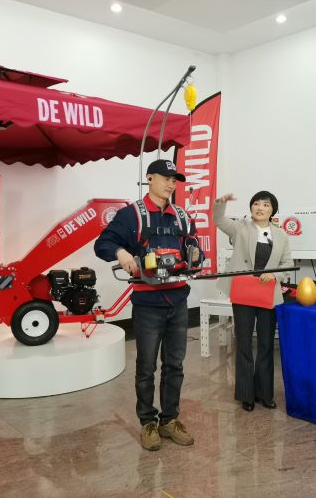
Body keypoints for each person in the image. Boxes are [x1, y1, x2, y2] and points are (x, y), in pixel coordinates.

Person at [94, 159, 201, 451]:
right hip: (147, 304)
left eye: (174, 180)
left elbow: (193, 246)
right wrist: (121, 252)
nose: (171, 184)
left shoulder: (182, 216)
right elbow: (102, 243)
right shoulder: (131, 215)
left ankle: (169, 419)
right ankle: (148, 422)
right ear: (150, 178)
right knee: (146, 367)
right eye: (165, 178)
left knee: (175, 365)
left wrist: (195, 256)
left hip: (178, 300)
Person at [213, 191, 293, 412]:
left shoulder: (281, 236)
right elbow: (218, 219)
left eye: (266, 205)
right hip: (243, 293)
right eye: (256, 204)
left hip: (267, 294)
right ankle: (246, 394)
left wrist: (274, 275)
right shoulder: (240, 228)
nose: (260, 208)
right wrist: (220, 202)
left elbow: (287, 264)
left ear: (272, 210)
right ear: (251, 208)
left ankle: (265, 393)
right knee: (244, 342)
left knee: (266, 344)